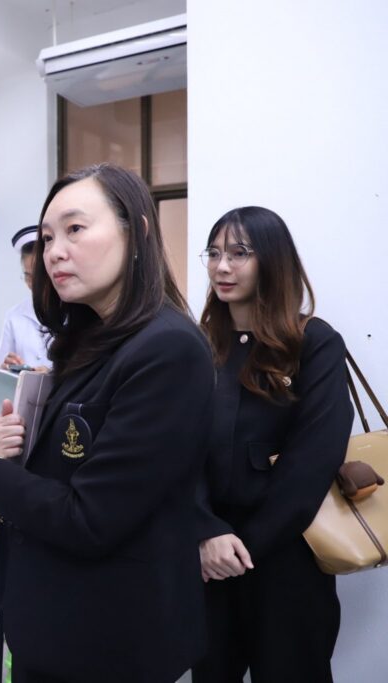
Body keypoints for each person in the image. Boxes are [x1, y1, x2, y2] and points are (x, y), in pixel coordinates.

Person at [0, 164, 214, 682]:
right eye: (47, 237)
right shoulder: (93, 338)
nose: (54, 252)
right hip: (56, 619)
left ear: (137, 232)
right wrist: (18, 442)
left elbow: (89, 518)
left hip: (107, 637)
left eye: (75, 229)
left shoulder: (167, 350)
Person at [192, 207, 353, 682]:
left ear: (273, 260)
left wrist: (243, 548)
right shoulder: (197, 345)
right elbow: (176, 451)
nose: (222, 267)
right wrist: (205, 531)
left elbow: (313, 460)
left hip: (289, 559)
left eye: (239, 253)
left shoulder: (313, 342)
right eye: (214, 253)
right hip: (207, 558)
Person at [0, 225, 51, 371]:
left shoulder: (77, 313)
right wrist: (7, 365)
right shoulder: (14, 315)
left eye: (40, 276)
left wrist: (51, 374)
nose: (34, 284)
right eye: (28, 276)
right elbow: (2, 367)